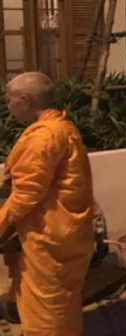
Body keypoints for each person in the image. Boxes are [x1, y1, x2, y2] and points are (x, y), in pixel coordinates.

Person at [0, 72, 94, 334]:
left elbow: (26, 194)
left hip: (50, 236)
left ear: (25, 100)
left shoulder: (44, 137)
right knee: (63, 298)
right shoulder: (62, 126)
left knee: (48, 307)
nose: (8, 106)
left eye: (9, 100)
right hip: (68, 232)